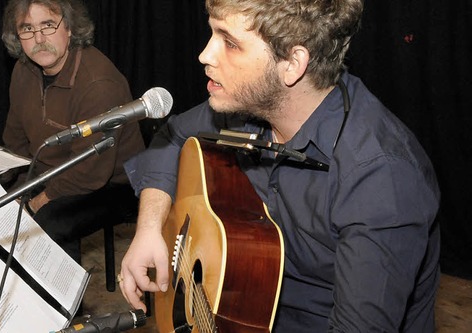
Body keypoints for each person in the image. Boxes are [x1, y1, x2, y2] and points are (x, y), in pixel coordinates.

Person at [119, 0, 441, 332]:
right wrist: (148, 230)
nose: (205, 55)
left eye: (229, 42)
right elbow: (171, 137)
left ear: (292, 63)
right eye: (212, 33)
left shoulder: (380, 177)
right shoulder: (245, 107)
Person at [0, 0, 144, 264]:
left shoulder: (98, 84)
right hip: (51, 171)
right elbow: (15, 141)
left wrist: (36, 202)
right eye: (27, 29)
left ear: (69, 28)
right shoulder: (23, 70)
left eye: (48, 25)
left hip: (113, 183)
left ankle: (63, 305)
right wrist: (19, 191)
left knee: (46, 224)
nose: (39, 38)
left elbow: (90, 172)